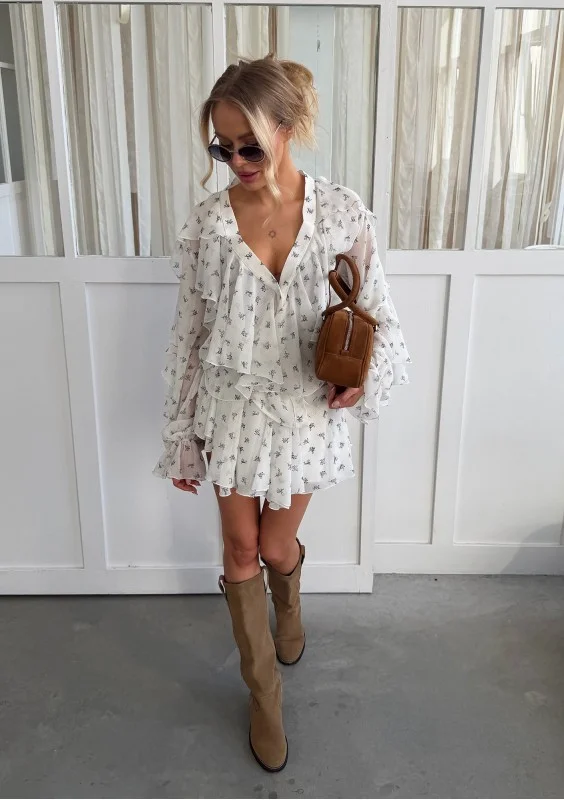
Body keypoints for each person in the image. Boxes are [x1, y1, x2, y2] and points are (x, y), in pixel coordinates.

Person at [154, 55, 409, 772]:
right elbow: (189, 334)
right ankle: (264, 695)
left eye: (250, 146)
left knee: (272, 547)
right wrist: (181, 434)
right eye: (222, 148)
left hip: (304, 408)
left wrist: (361, 380)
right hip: (230, 407)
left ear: (287, 130)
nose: (236, 162)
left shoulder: (342, 213)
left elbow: (379, 313)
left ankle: (288, 603)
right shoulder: (208, 226)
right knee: (239, 550)